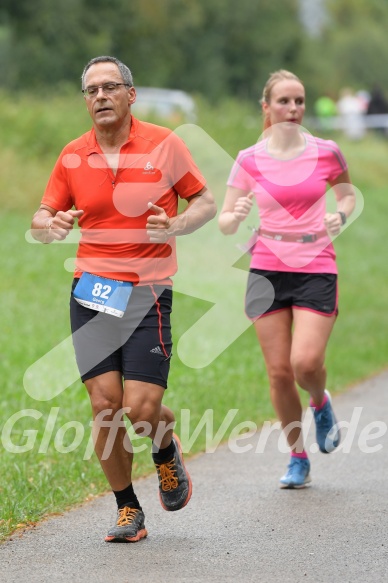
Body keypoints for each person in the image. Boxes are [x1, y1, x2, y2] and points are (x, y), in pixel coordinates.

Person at [31, 56, 217, 541]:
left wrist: (175, 224)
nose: (100, 97)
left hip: (148, 291)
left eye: (110, 87)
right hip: (92, 292)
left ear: (130, 95)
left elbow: (205, 201)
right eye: (92, 90)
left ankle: (164, 447)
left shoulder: (165, 144)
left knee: (140, 407)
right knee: (105, 404)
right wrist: (49, 226)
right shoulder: (73, 155)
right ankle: (128, 508)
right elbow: (42, 215)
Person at [219, 70, 356, 489]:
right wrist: (235, 216)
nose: (293, 109)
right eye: (284, 101)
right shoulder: (249, 158)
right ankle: (298, 456)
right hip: (267, 268)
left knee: (305, 363)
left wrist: (342, 214)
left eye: (299, 101)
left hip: (316, 263)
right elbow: (225, 222)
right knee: (279, 373)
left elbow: (347, 194)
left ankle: (320, 401)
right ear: (266, 107)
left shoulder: (326, 151)